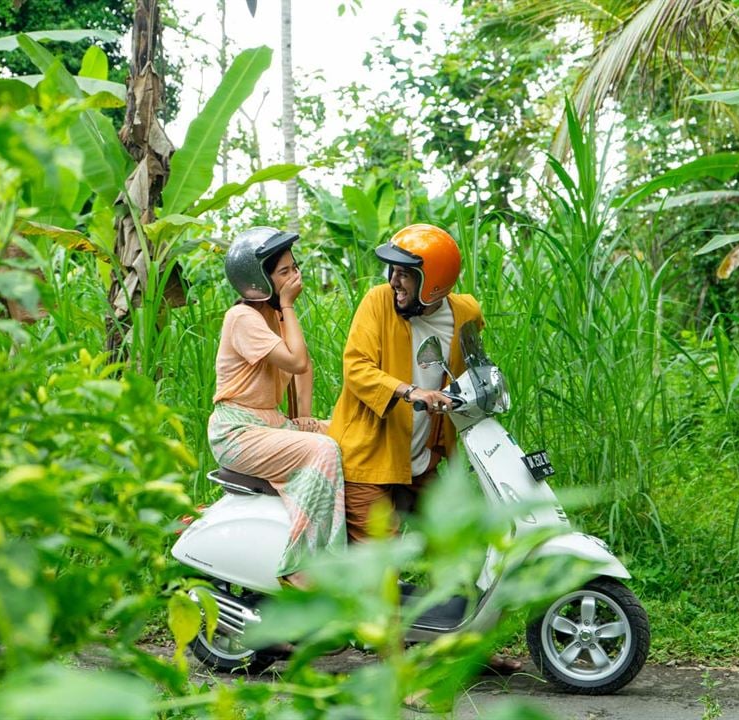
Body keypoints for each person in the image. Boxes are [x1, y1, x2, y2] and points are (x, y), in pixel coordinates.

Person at [328, 223, 523, 674]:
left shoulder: (464, 314)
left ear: (432, 281)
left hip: (427, 456)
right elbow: (356, 367)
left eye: (405, 273)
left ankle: (470, 646)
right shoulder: (376, 304)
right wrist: (408, 391)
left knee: (455, 545)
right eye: (392, 270)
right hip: (371, 456)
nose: (393, 280)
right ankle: (396, 672)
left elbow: (475, 360)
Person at [208, 226, 345, 589]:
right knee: (323, 450)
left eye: (294, 268)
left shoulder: (272, 316)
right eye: (284, 272)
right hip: (238, 432)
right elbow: (297, 361)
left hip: (271, 424)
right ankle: (300, 567)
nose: (294, 277)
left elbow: (303, 368)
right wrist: (287, 305)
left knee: (349, 433)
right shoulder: (243, 319)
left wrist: (305, 418)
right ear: (258, 280)